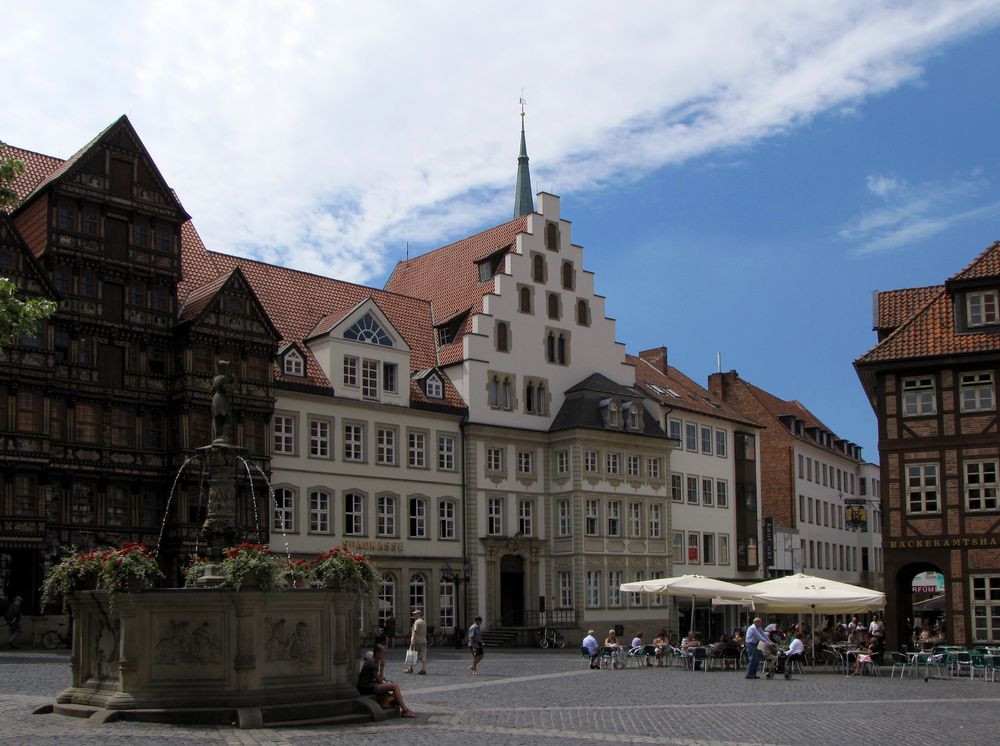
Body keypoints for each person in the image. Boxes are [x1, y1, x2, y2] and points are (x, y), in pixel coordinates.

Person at [358, 645, 418, 718]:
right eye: (383, 653)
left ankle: (402, 707)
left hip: (368, 685)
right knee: (395, 686)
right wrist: (382, 667)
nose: (384, 655)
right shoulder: (372, 664)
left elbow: (377, 678)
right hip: (366, 687)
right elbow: (379, 681)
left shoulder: (373, 662)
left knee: (391, 683)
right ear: (377, 653)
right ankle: (405, 710)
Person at [404, 609, 427, 674]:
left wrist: (413, 641)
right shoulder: (423, 621)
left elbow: (415, 631)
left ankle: (410, 668)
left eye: (415, 614)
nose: (414, 615)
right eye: (414, 614)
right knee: (423, 655)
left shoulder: (417, 622)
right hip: (424, 641)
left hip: (417, 641)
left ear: (419, 614)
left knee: (411, 654)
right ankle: (424, 668)